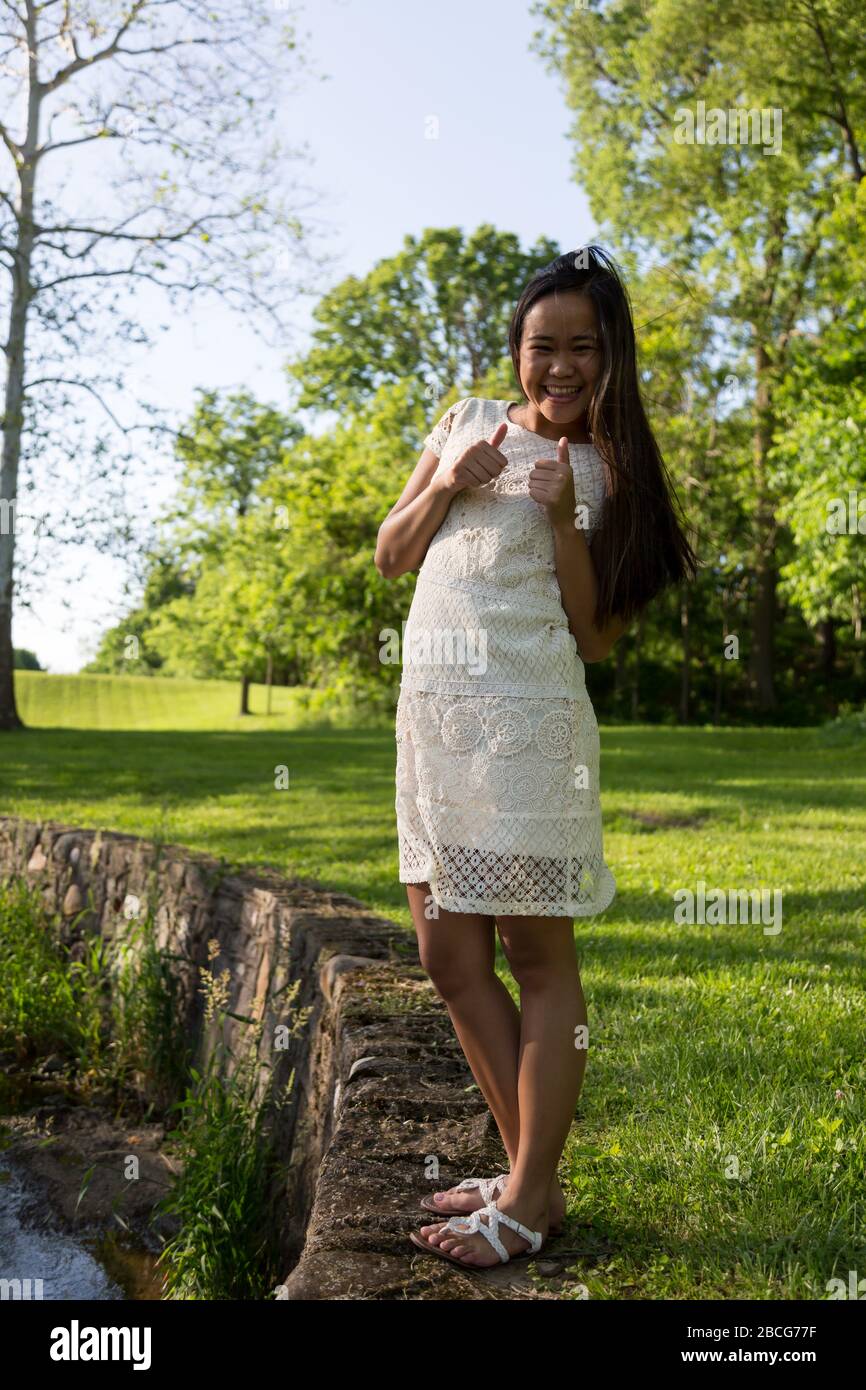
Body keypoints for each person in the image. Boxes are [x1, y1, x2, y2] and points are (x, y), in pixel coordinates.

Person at [374, 245, 697, 1269]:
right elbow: (390, 552)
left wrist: (560, 517)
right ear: (515, 350)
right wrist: (445, 490)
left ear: (611, 360)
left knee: (533, 956)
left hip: (525, 730)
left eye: (580, 351)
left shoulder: (610, 470)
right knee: (445, 955)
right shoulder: (463, 421)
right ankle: (531, 1181)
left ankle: (520, 1200)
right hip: (429, 721)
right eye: (540, 347)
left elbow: (594, 634)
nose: (557, 369)